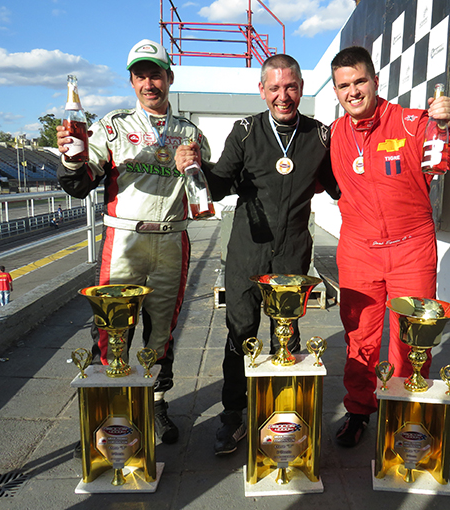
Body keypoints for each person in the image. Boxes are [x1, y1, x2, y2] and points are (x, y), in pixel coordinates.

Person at [176, 54, 339, 455]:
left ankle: (284, 414)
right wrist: (195, 167)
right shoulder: (246, 132)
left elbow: (341, 185)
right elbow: (219, 183)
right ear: (262, 90)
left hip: (293, 252)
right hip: (248, 249)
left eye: (291, 87)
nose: (283, 96)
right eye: (275, 88)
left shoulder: (320, 135)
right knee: (240, 331)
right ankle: (234, 413)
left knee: (288, 334)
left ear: (300, 87)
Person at [56, 38, 212, 445]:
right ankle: (110, 412)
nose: (149, 83)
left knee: (161, 331)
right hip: (123, 238)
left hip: (171, 240)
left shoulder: (190, 133)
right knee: (111, 328)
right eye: (141, 75)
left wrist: (198, 172)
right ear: (131, 81)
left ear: (169, 78)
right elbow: (78, 184)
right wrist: (71, 156)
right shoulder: (113, 126)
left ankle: (157, 403)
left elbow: (206, 193)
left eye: (155, 74)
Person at [329, 46, 450, 446]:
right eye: (344, 85)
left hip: (411, 248)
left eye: (360, 81)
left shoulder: (414, 123)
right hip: (359, 250)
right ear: (336, 91)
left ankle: (402, 414)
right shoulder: (334, 133)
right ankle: (359, 410)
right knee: (359, 338)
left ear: (376, 81)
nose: (353, 91)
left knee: (411, 340)